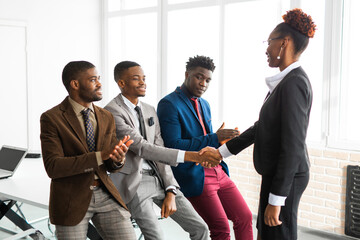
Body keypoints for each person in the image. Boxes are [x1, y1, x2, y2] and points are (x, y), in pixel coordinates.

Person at [200, 8, 316, 240]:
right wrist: (221, 152)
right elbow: (261, 127)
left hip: (287, 176)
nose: (267, 48)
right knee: (266, 232)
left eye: (270, 41)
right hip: (278, 173)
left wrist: (277, 199)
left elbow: (293, 145)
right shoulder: (285, 83)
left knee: (277, 233)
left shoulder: (294, 84)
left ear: (284, 43)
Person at [104, 61, 216, 240]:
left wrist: (171, 189)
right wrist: (191, 156)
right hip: (135, 182)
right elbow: (142, 147)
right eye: (136, 78)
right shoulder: (111, 111)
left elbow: (160, 149)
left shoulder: (149, 110)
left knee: (201, 228)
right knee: (156, 237)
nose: (142, 82)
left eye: (144, 78)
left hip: (160, 178)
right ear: (121, 83)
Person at [157, 55, 253, 240]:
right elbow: (173, 145)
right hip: (195, 174)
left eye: (208, 80)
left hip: (217, 169)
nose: (203, 83)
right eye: (199, 77)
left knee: (245, 217)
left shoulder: (204, 104)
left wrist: (219, 140)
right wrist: (213, 137)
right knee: (221, 228)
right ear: (187, 74)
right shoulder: (169, 104)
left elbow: (206, 140)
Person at [40, 61, 137, 240]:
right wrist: (101, 155)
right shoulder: (51, 118)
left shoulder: (105, 116)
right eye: (93, 80)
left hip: (106, 193)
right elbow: (53, 166)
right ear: (75, 84)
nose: (100, 84)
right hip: (71, 199)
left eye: (99, 79)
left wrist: (117, 158)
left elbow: (110, 165)